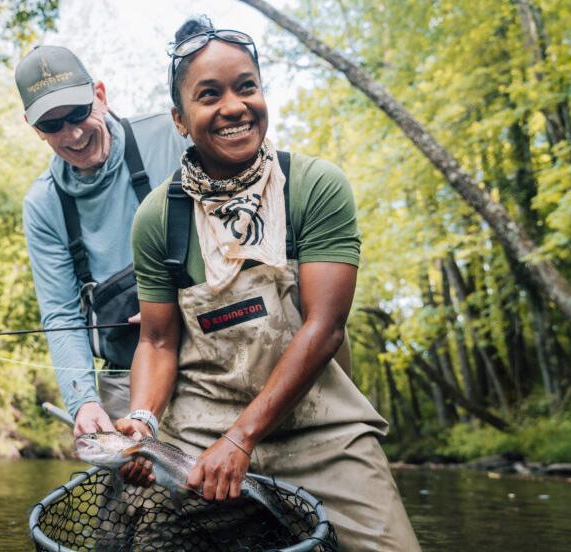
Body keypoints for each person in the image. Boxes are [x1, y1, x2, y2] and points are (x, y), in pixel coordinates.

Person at [116, 17, 421, 550]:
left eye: (246, 87)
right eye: (209, 95)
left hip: (322, 431)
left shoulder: (314, 186)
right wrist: (142, 424)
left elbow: (325, 327)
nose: (233, 106)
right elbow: (157, 340)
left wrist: (243, 438)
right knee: (144, 532)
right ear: (180, 121)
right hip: (199, 433)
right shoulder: (156, 219)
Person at [16, 46, 189, 436]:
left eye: (78, 113)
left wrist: (183, 304)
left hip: (216, 349)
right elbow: (62, 314)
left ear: (100, 94)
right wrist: (84, 400)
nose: (73, 134)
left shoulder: (170, 135)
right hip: (126, 377)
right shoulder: (43, 204)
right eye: (52, 125)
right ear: (33, 126)